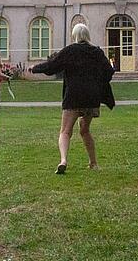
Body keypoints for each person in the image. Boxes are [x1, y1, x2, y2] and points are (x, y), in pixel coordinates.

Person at [30, 23, 115, 173]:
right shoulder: (97, 52)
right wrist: (96, 82)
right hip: (91, 98)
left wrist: (35, 68)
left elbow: (52, 66)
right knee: (85, 130)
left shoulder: (70, 51)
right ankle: (93, 163)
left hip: (73, 96)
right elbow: (109, 71)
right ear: (88, 35)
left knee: (65, 131)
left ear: (74, 35)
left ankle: (63, 160)